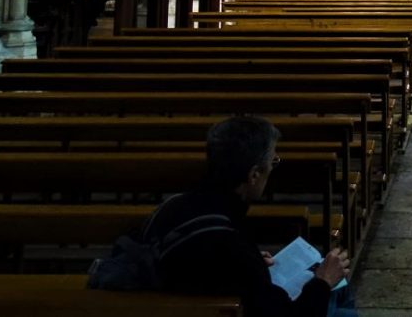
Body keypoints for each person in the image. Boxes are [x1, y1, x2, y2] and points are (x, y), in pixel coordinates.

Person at [143, 115, 353, 315]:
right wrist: (323, 281)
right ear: (253, 175)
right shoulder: (230, 243)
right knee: (339, 292)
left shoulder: (171, 206)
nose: (272, 168)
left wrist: (249, 263)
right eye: (273, 161)